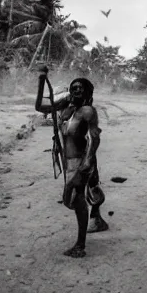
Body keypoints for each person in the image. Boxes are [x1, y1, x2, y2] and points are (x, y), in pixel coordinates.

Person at [34, 68, 109, 258]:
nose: (76, 91)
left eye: (80, 89)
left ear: (88, 93)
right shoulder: (67, 107)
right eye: (73, 88)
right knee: (76, 197)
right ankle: (97, 219)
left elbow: (94, 139)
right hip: (67, 160)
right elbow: (41, 107)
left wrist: (86, 165)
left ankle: (80, 246)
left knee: (76, 199)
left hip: (81, 160)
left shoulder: (88, 112)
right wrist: (42, 80)